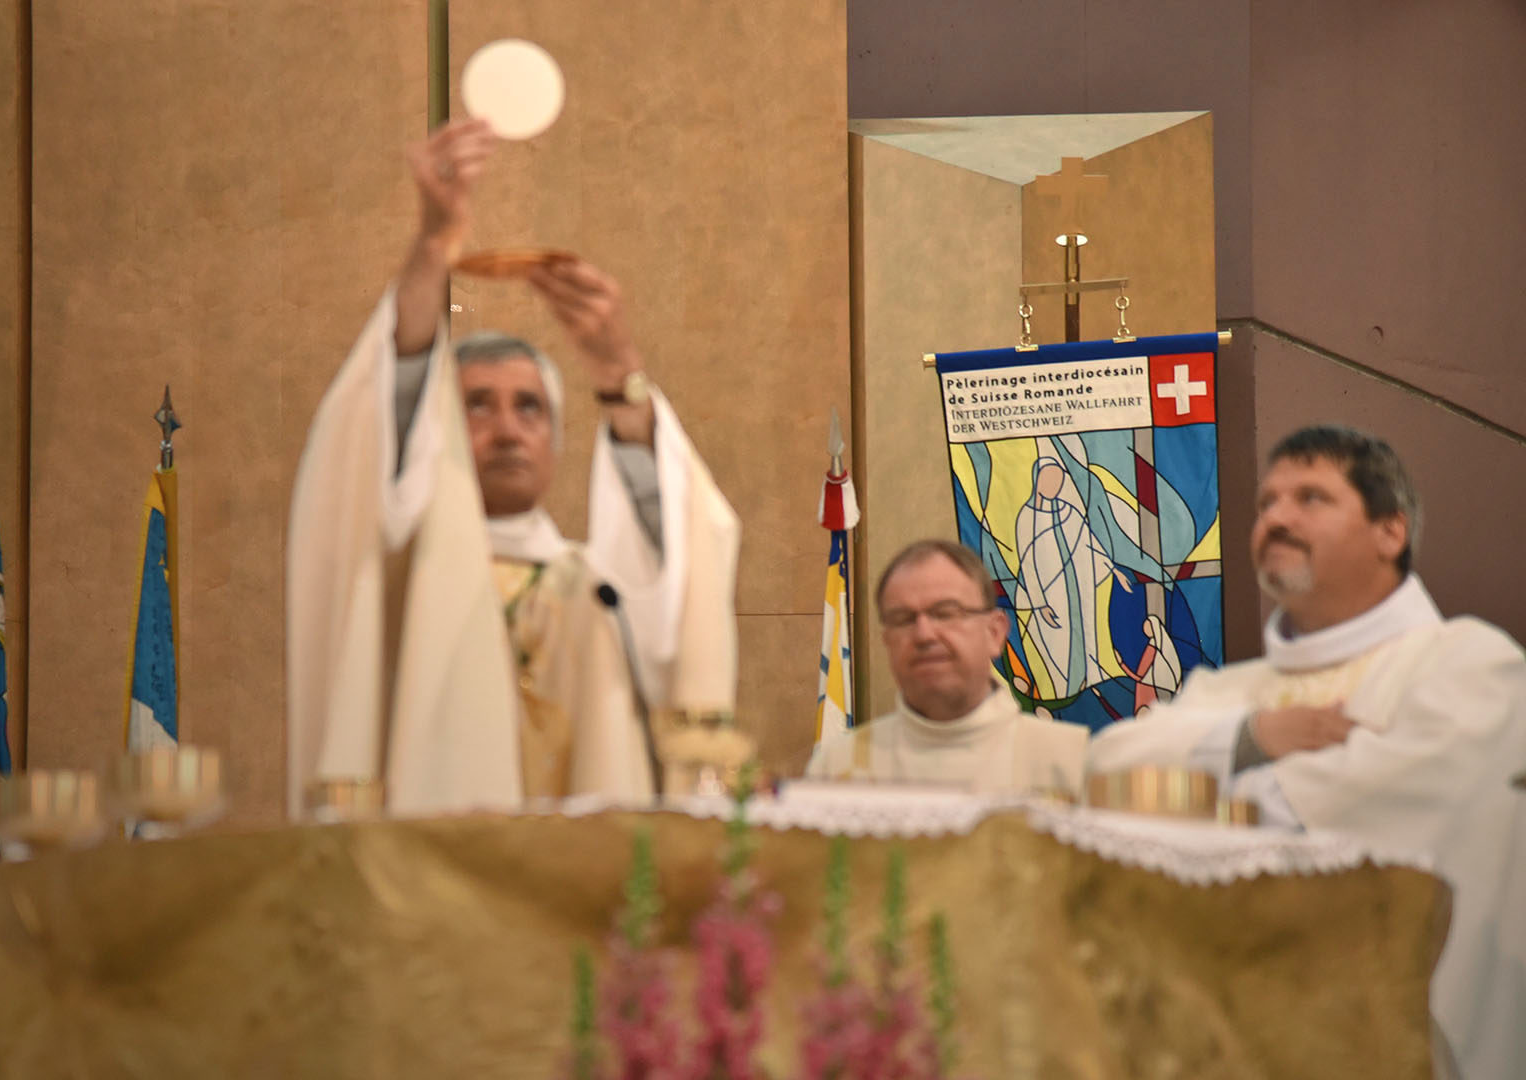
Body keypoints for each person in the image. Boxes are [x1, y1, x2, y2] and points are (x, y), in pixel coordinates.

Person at [286, 119, 740, 816]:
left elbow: (678, 561)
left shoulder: (604, 593)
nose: (505, 430)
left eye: (528, 408)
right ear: (438, 429)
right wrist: (433, 247)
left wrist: (621, 374)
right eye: (478, 407)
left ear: (557, 443)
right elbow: (383, 420)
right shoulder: (400, 571)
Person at [1087, 424, 1526, 1078]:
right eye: (1265, 504)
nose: (1276, 518)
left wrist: (1216, 813)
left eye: (1310, 498)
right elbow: (1103, 772)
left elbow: (1409, 799)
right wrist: (1250, 739)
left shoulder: (1468, 662)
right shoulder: (1229, 692)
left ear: (1391, 531)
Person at [806, 539, 1088, 793]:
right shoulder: (836, 770)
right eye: (903, 618)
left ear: (995, 633)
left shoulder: (1075, 763)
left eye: (945, 613)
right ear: (887, 641)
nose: (924, 634)